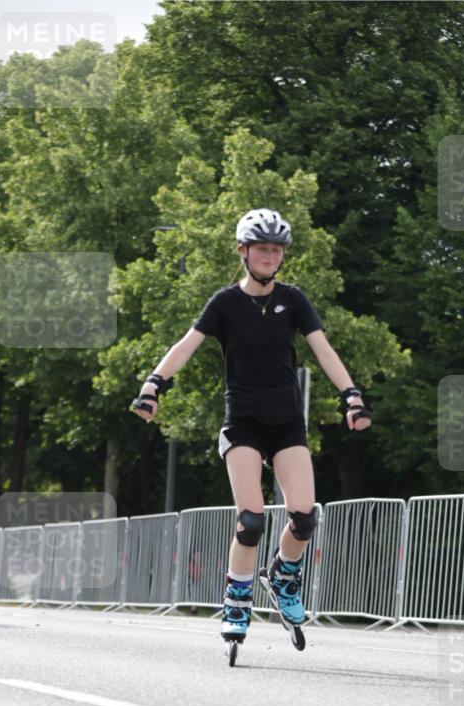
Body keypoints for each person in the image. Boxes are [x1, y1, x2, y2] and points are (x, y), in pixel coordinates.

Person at [132, 208, 371, 641]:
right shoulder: (225, 303)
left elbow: (324, 350)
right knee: (252, 521)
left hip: (286, 424)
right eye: (261, 248)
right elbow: (186, 345)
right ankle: (237, 600)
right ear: (243, 251)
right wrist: (153, 385)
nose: (269, 255)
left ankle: (282, 576)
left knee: (304, 517)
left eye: (276, 249)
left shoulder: (294, 300)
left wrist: (351, 396)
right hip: (242, 423)